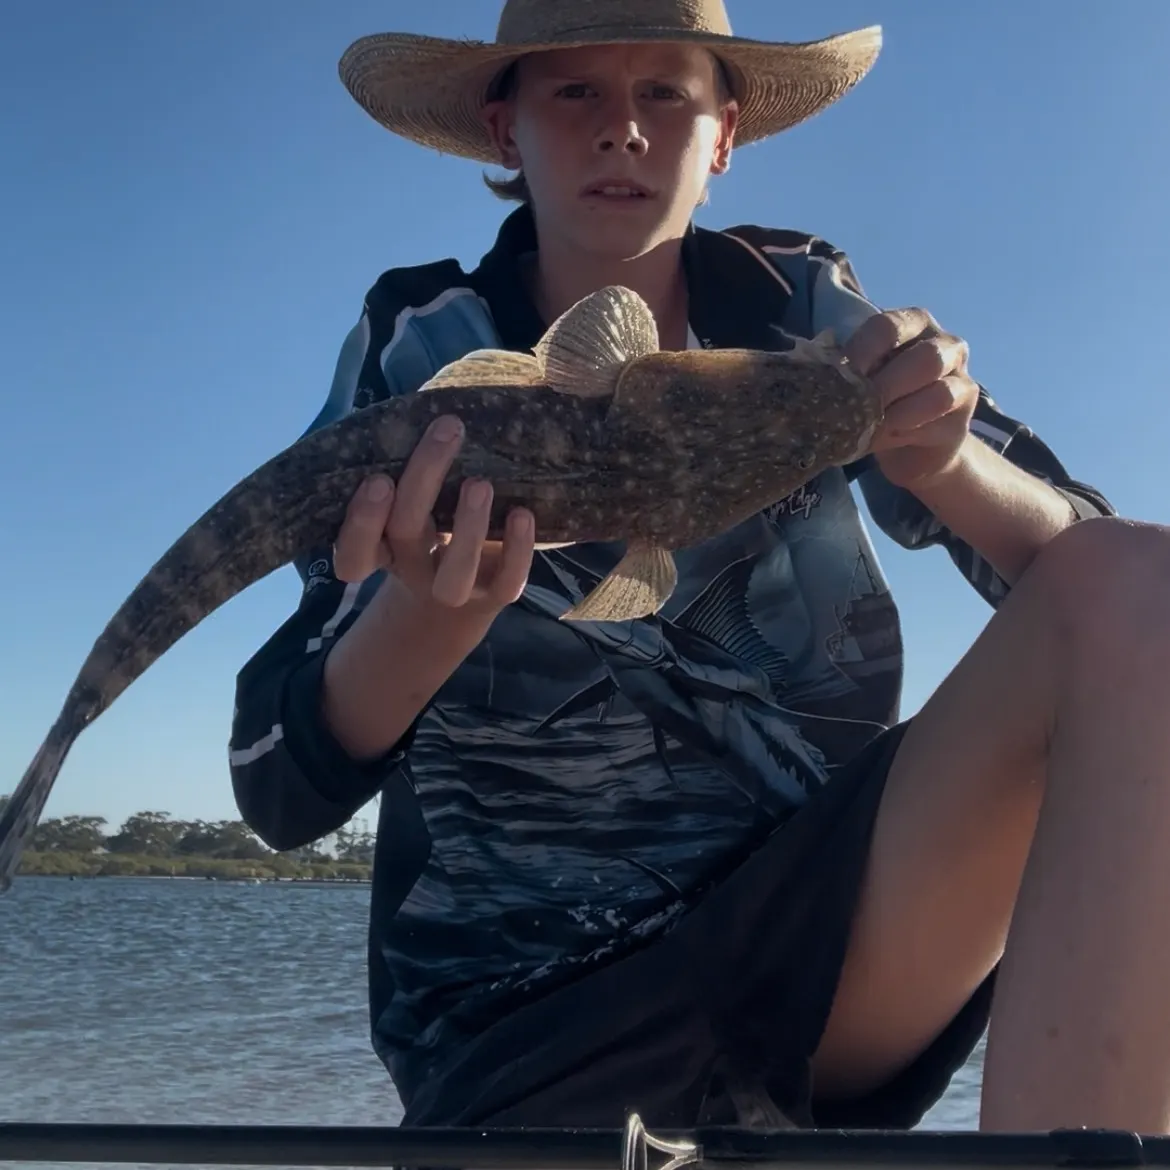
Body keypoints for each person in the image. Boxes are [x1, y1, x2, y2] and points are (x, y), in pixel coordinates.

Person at [229, 0, 1170, 1136]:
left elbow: (1109, 608)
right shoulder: (417, 341)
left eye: (665, 91)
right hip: (523, 1029)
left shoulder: (805, 310)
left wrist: (944, 458)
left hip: (827, 953)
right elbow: (275, 781)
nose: (621, 128)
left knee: (1139, 584)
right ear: (503, 129)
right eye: (574, 89)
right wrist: (427, 621)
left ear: (724, 134)